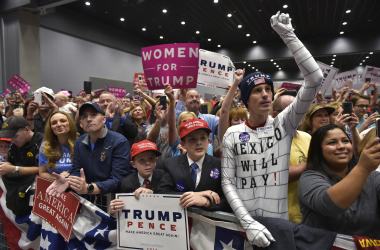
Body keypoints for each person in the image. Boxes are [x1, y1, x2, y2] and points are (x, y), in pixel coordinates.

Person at [221, 12, 323, 247]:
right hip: (241, 226)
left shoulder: (284, 124)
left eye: (268, 89)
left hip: (279, 227)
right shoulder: (232, 134)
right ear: (246, 100)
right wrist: (247, 223)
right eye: (257, 90)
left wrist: (288, 34)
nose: (266, 94)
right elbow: (228, 182)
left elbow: (315, 78)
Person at [46, 102, 132, 211]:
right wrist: (69, 181)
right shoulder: (80, 142)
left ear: (104, 119)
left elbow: (118, 179)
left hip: (112, 202)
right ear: (81, 124)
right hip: (86, 200)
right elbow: (76, 170)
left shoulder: (119, 141)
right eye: (84, 117)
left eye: (93, 115)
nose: (89, 119)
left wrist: (88, 188)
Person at [299, 124, 380, 237]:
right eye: (332, 142)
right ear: (318, 149)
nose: (341, 146)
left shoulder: (373, 177)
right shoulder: (309, 178)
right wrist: (363, 168)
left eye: (346, 141)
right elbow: (329, 205)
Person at [157, 118, 226, 211]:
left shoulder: (219, 165)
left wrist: (206, 201)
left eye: (203, 138)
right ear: (183, 144)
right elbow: (162, 193)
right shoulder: (170, 164)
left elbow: (228, 201)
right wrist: (196, 195)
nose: (199, 143)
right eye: (192, 139)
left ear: (208, 140)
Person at [0, 116, 43, 216]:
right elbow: (10, 163)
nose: (12, 140)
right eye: (10, 137)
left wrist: (15, 169)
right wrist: (6, 166)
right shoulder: (14, 145)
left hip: (36, 202)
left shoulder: (42, 142)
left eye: (15, 136)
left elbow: (43, 170)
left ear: (26, 129)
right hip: (16, 199)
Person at [109, 140, 165, 214]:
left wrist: (153, 195)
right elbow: (118, 212)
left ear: (156, 160)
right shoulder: (125, 183)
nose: (147, 163)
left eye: (151, 159)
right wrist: (113, 211)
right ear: (133, 164)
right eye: (142, 160)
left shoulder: (164, 177)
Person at [38, 111, 77, 180]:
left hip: (75, 185)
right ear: (51, 128)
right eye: (54, 123)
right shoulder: (45, 146)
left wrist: (68, 178)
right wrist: (58, 179)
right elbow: (42, 173)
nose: (58, 124)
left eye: (63, 121)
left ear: (70, 123)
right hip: (54, 185)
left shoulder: (80, 143)